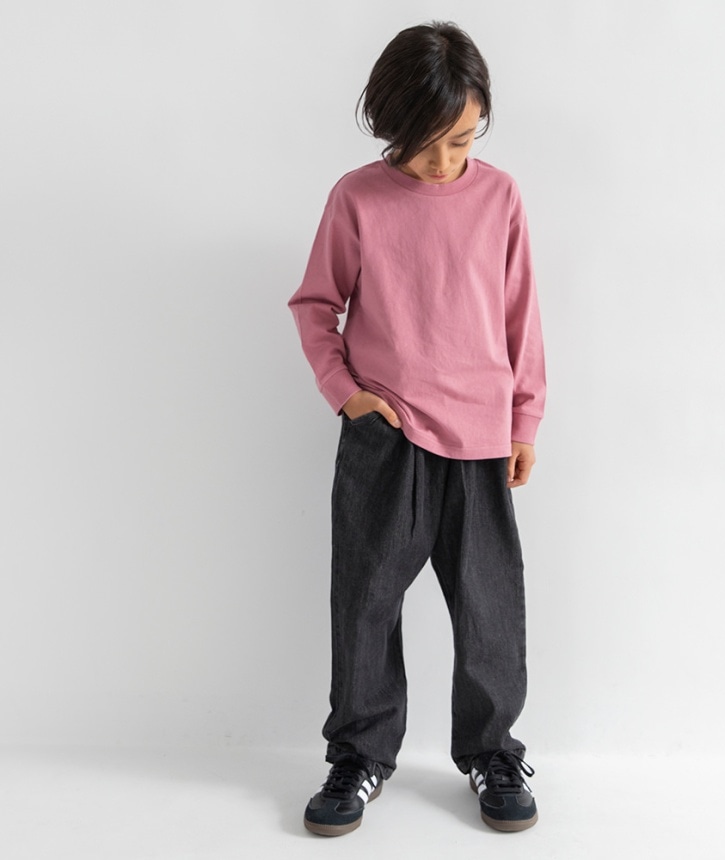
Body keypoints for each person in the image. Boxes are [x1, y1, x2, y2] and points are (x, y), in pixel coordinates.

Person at [288, 21, 546, 836]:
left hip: (480, 436)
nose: (443, 161)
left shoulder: (499, 198)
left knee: (490, 607)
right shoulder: (357, 199)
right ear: (392, 123)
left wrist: (525, 418)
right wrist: (346, 394)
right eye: (427, 142)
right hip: (385, 433)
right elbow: (315, 305)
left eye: (462, 140)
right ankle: (358, 755)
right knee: (365, 601)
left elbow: (521, 317)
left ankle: (493, 750)